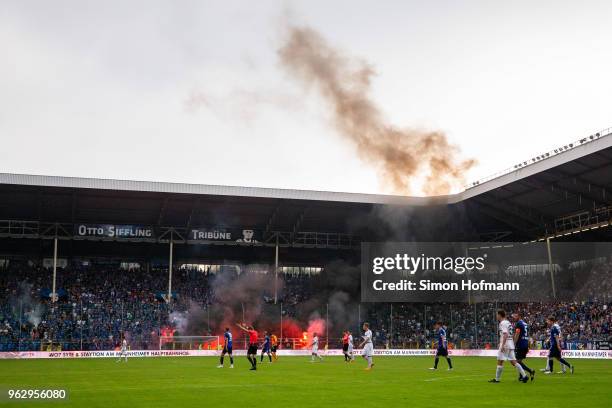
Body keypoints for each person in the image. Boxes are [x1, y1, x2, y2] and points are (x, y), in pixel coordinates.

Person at [488, 309, 529, 383]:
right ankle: (524, 376)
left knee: (500, 361)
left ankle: (497, 379)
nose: (496, 316)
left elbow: (505, 334)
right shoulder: (508, 322)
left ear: (500, 315)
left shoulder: (502, 323)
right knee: (514, 362)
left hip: (506, 344)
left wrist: (502, 345)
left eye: (497, 315)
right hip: (510, 343)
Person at [512, 312, 534, 380]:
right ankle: (521, 376)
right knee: (519, 360)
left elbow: (517, 334)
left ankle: (530, 371)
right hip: (525, 344)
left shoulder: (519, 323)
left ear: (519, 316)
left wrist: (514, 343)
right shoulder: (525, 324)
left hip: (520, 344)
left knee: (517, 362)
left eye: (515, 316)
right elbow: (527, 335)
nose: (514, 318)